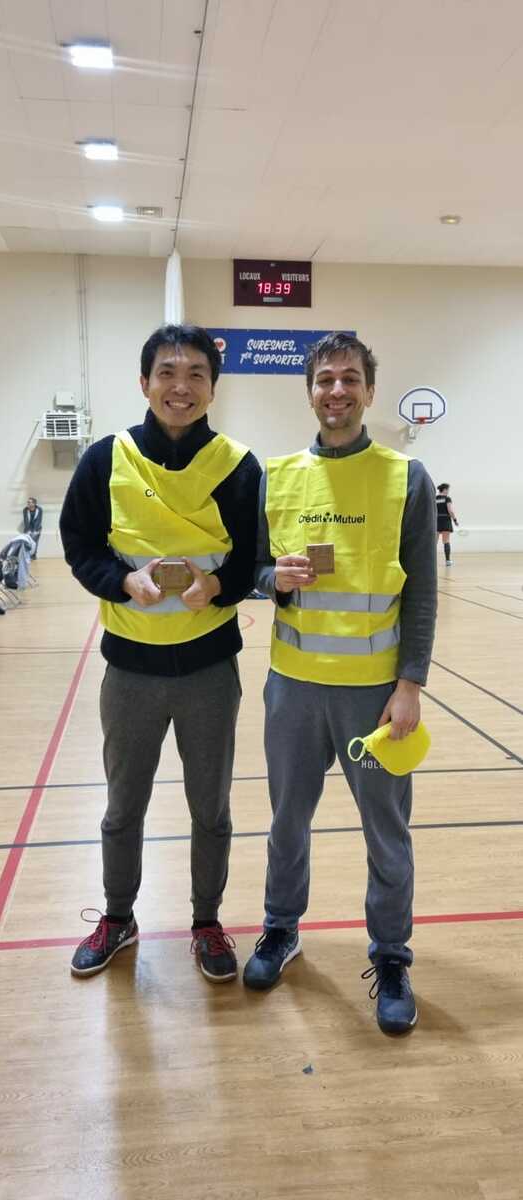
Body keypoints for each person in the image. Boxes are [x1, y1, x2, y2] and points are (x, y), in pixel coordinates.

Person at [243, 333, 437, 1035]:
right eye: (325, 379)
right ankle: (280, 928)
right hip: (293, 688)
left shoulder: (406, 477)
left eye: (350, 378)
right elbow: (252, 571)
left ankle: (391, 957)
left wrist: (410, 683)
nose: (337, 390)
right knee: (286, 823)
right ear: (310, 391)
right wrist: (274, 578)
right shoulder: (277, 476)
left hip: (375, 696)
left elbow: (421, 592)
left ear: (369, 391)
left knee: (386, 833)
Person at [60, 324, 261, 982]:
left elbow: (252, 558)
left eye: (196, 373)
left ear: (213, 387)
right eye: (168, 373)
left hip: (210, 670)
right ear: (144, 383)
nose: (182, 386)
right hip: (130, 671)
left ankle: (206, 922)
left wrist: (218, 587)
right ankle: (118, 917)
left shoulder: (238, 465)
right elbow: (79, 544)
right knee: (122, 807)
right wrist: (122, 582)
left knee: (211, 809)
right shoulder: (105, 459)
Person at [436, 483, 459, 565]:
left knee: (434, 542)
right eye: (448, 489)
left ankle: (431, 561)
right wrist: (455, 520)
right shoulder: (447, 498)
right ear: (445, 489)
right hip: (445, 520)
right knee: (446, 541)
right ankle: (448, 561)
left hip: (436, 521)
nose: (448, 491)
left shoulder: (434, 498)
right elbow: (450, 511)